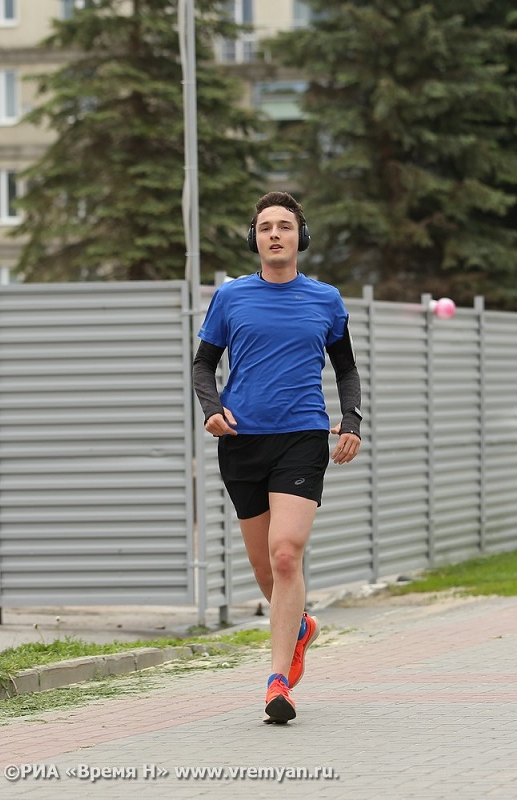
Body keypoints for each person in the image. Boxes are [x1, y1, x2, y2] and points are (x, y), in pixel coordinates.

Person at [192, 191, 362, 723]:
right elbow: (203, 366)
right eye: (265, 226)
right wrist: (211, 410)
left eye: (284, 226)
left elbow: (347, 370)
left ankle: (276, 681)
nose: (274, 234)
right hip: (242, 440)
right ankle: (301, 625)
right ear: (254, 239)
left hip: (302, 438)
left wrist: (351, 420)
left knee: (286, 553)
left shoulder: (326, 300)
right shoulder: (231, 298)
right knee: (265, 568)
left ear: (300, 238)